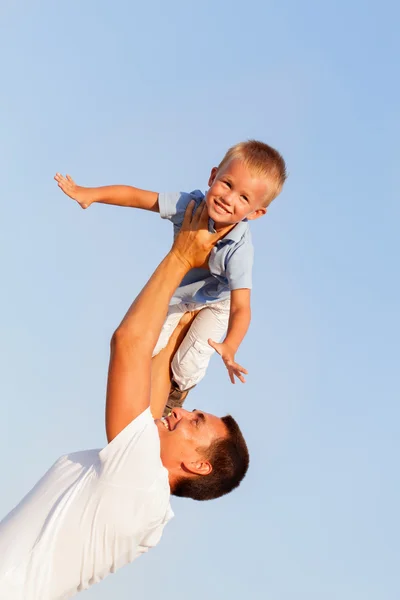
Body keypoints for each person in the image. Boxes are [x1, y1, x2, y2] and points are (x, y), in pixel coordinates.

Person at [0, 202, 249, 600]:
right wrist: (186, 315)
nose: (181, 411)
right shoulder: (146, 495)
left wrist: (182, 256)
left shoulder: (140, 487)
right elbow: (155, 379)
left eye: (195, 421)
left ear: (198, 465)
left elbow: (129, 344)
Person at [55, 140, 287, 414]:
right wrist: (90, 194)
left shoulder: (239, 250)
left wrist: (230, 346)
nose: (229, 198)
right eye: (227, 184)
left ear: (257, 213)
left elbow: (241, 307)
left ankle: (178, 393)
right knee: (150, 346)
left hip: (216, 303)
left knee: (186, 368)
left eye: (244, 198)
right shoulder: (189, 205)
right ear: (213, 176)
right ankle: (143, 408)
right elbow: (137, 197)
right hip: (182, 292)